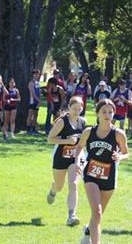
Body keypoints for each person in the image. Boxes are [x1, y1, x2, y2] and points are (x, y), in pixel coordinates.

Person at [75, 99, 129, 244]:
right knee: (97, 213)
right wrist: (77, 162)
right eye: (104, 111)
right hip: (91, 174)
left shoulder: (118, 134)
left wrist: (120, 156)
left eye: (110, 112)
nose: (107, 115)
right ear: (97, 113)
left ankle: (88, 231)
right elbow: (79, 147)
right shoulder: (88, 132)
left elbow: (127, 153)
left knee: (97, 215)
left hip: (109, 176)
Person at [46, 96, 86, 226]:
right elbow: (50, 138)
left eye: (79, 109)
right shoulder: (62, 122)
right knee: (59, 186)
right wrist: (66, 141)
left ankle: (71, 216)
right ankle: (53, 189)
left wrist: (80, 159)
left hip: (75, 158)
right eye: (74, 108)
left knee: (74, 184)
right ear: (69, 108)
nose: (77, 111)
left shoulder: (82, 122)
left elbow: (82, 143)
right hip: (60, 157)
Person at [26, 69, 41, 135]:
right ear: (33, 74)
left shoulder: (37, 83)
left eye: (38, 74)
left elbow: (39, 92)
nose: (37, 75)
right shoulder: (31, 83)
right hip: (32, 101)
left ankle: (34, 129)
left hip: (37, 102)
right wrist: (38, 100)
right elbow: (33, 93)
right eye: (35, 74)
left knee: (36, 115)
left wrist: (39, 100)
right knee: (30, 115)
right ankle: (28, 129)